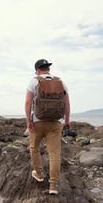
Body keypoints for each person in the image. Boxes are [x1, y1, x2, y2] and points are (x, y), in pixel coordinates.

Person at [25, 58, 71, 195]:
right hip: (56, 122)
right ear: (48, 69)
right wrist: (67, 121)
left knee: (34, 148)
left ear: (37, 70)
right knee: (54, 153)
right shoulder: (60, 82)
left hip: (37, 122)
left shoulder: (34, 81)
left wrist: (28, 121)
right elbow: (67, 104)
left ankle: (39, 174)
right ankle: (53, 186)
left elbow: (28, 103)